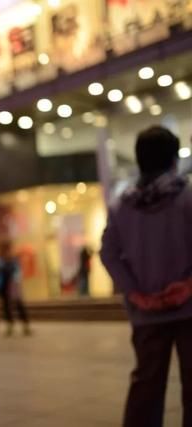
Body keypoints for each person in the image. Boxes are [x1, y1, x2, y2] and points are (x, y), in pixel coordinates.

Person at [101, 126, 192, 427]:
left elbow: (109, 253)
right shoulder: (187, 198)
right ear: (173, 160)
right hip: (189, 308)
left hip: (146, 311)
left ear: (139, 160)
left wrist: (134, 292)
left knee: (146, 387)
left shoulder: (121, 205)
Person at [0, 241, 31, 337]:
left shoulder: (14, 260)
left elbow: (18, 273)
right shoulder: (0, 261)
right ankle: (10, 325)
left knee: (19, 305)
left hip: (13, 286)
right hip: (4, 286)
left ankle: (25, 325)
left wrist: (15, 281)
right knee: (6, 307)